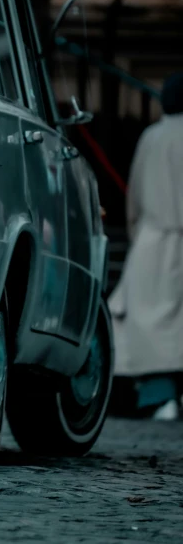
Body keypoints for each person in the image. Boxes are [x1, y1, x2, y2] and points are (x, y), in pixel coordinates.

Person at [109, 73, 183, 420]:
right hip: (170, 238)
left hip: (152, 243)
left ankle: (160, 397)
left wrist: (141, 235)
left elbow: (134, 200)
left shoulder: (151, 137)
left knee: (151, 327)